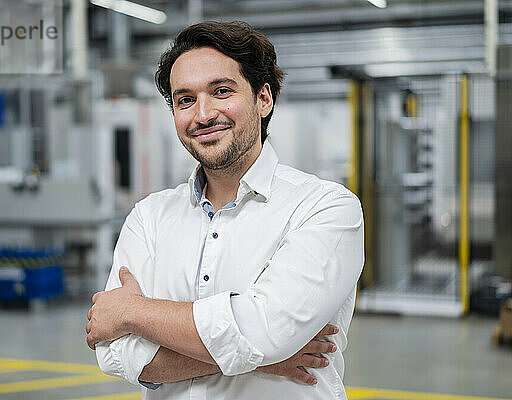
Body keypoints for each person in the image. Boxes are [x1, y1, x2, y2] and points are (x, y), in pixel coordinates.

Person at [86, 21, 364, 400]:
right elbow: (114, 354)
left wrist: (132, 312)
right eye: (185, 99)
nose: (202, 115)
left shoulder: (325, 208)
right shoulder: (149, 218)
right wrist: (260, 356)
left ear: (263, 99)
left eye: (221, 91)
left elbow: (264, 332)